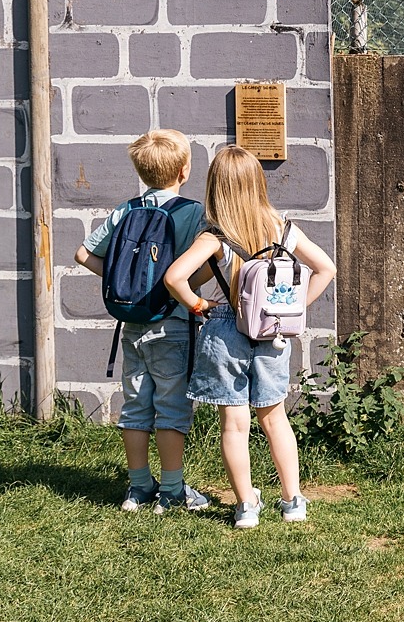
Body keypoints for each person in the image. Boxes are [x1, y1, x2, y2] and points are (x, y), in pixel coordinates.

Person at [163, 144, 336, 529]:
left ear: (216, 188)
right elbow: (326, 268)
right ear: (258, 182)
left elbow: (174, 278)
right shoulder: (284, 228)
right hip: (273, 332)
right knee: (275, 419)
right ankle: (292, 501)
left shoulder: (216, 236)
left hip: (226, 328)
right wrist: (294, 309)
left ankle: (245, 507)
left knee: (235, 424)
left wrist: (198, 305)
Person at [73, 128, 211, 515]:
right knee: (171, 406)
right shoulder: (193, 212)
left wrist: (127, 285)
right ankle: (170, 490)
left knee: (135, 405)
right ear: (184, 171)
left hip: (132, 323)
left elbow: (83, 254)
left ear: (140, 170)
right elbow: (205, 263)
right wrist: (179, 290)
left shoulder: (125, 210)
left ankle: (136, 489)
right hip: (172, 324)